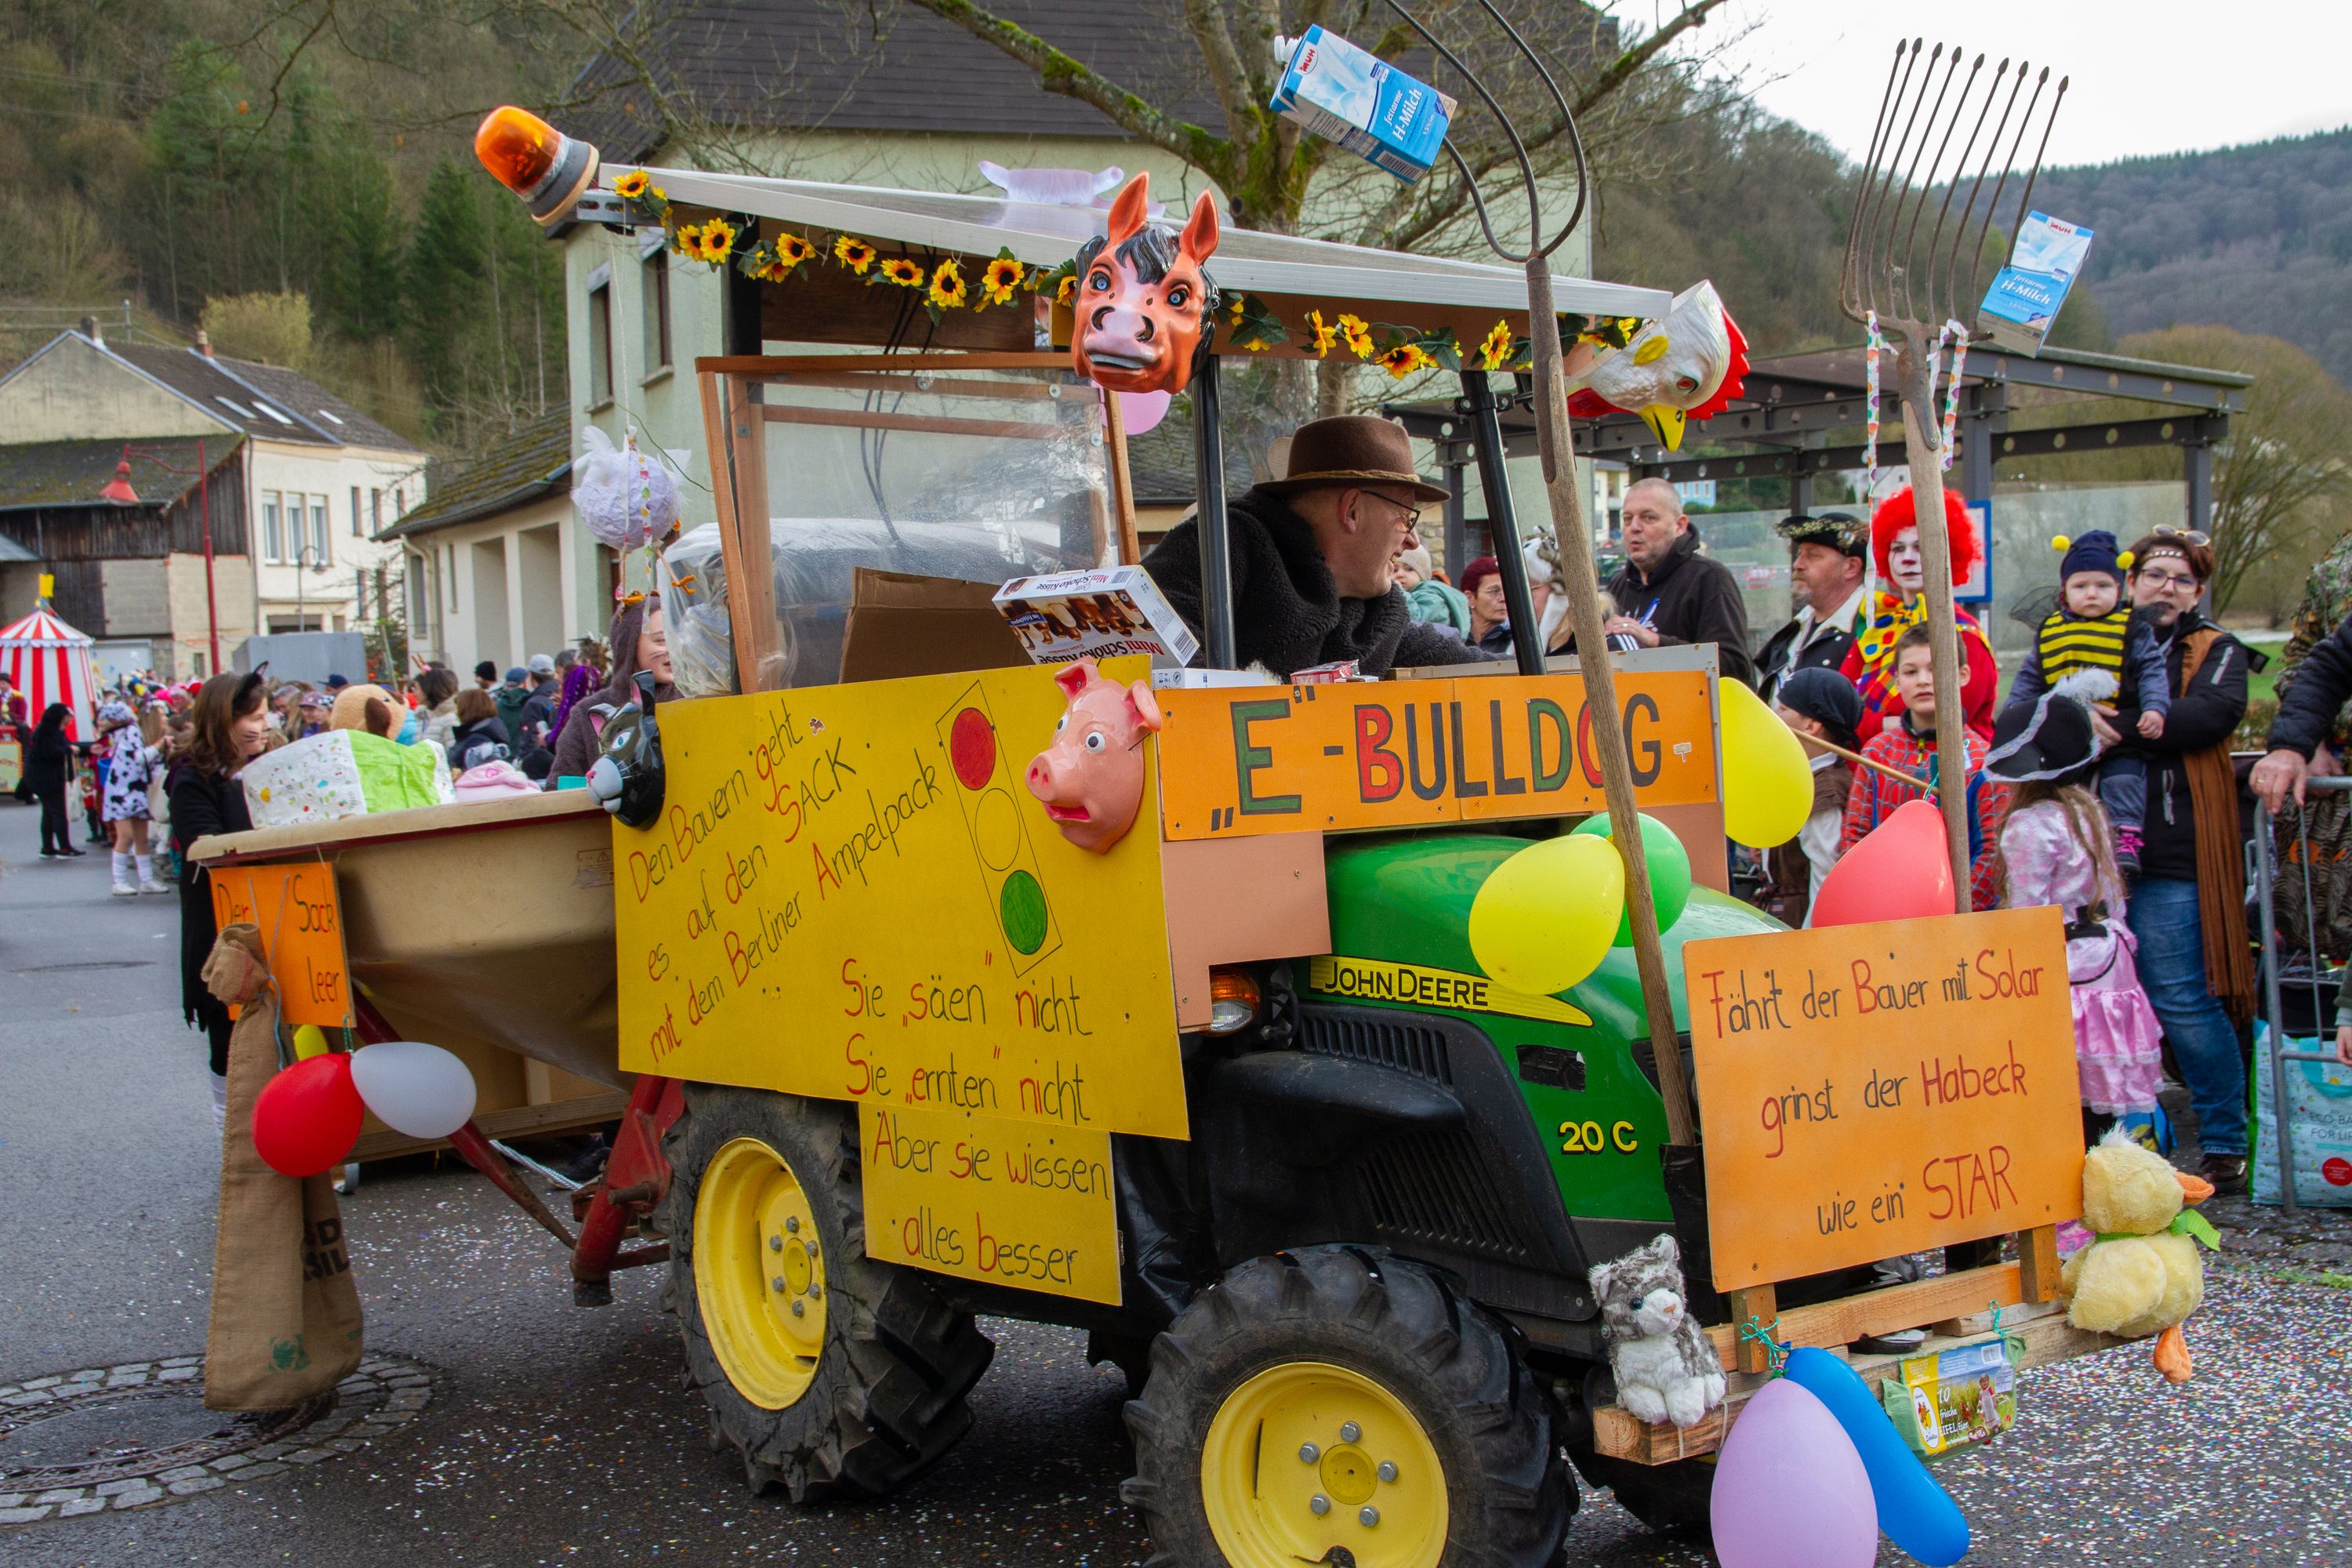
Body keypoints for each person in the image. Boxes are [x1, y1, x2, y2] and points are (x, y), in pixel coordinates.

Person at [1140, 416, 1482, 679]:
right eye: (1406, 519)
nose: (1412, 541)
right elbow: (1146, 654)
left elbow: (1469, 664)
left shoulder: (1379, 613)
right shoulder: (1218, 548)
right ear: (1351, 511)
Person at [1987, 692, 2165, 1149]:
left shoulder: (2029, 824)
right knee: (2101, 1096)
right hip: (2108, 962)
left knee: (2062, 1093)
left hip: (2063, 970)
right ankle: (2111, 1189)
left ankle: (2069, 1206)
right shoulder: (2085, 809)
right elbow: (2111, 894)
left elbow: (2029, 916)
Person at [1995, 531, 2171, 873]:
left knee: (2124, 780)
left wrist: (2154, 708)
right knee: (2063, 795)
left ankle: (2125, 840)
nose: (2092, 593)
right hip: (2065, 739)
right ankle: (2070, 846)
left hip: (2119, 733)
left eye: (2103, 585)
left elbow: (2152, 671)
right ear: (2065, 591)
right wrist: (2014, 714)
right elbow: (2031, 678)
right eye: (2081, 586)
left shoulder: (2132, 629)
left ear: (2119, 590)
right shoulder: (2050, 631)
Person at [1842, 623, 2009, 911]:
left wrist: (1951, 909)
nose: (1923, 680)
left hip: (1962, 919)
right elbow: (1854, 837)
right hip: (1887, 912)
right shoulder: (1877, 754)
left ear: (1962, 675)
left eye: (1935, 668)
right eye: (1911, 672)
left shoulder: (1984, 761)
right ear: (1896, 681)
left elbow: (1992, 851)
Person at [169, 670, 269, 1127]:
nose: (260, 727)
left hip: (276, 913)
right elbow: (200, 844)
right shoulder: (191, 776)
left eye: (265, 716)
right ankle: (233, 1137)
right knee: (228, 1031)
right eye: (251, 717)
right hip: (221, 924)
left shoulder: (271, 765)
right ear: (221, 718)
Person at [1841, 487, 1998, 745]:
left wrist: (1866, 725)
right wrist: (1881, 724)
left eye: (1921, 548)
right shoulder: (1880, 629)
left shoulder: (1966, 636)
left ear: (1948, 553)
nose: (1908, 560)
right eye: (1898, 548)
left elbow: (1941, 720)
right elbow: (1838, 708)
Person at [1568, 477, 1751, 683]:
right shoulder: (1619, 585)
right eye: (1627, 519)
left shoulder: (1709, 578)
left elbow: (1735, 667)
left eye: (1648, 518)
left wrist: (1655, 642)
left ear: (1680, 526)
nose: (1634, 528)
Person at [1759, 667, 1862, 927]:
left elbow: (1827, 880)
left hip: (1802, 924)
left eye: (1783, 709)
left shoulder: (1824, 791)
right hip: (1782, 914)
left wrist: (1811, 949)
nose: (1773, 714)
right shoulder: (1803, 778)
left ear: (1811, 726)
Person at [553, 593, 680, 780]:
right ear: (629, 645)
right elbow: (561, 785)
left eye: (676, 637)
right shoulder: (588, 712)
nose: (673, 648)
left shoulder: (693, 701)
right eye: (661, 640)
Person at [1753, 511, 1867, 703]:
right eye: (1799, 554)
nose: (1798, 564)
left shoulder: (1873, 626)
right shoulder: (1797, 627)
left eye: (1813, 556)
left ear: (1851, 567)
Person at [96, 694, 167, 895]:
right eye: (161, 715)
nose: (165, 719)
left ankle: (147, 880)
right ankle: (118, 881)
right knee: (125, 835)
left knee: (141, 838)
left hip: (137, 792)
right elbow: (137, 759)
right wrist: (158, 746)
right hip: (122, 791)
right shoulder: (131, 733)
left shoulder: (137, 733)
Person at [25, 702, 81, 858]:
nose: (70, 720)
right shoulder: (47, 732)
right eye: (68, 716)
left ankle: (48, 848)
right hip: (47, 778)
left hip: (41, 776)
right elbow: (50, 752)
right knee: (58, 812)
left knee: (49, 813)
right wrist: (69, 750)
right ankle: (65, 848)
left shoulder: (48, 730)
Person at [1395, 546, 1470, 636]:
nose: (1400, 574)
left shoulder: (1433, 597)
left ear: (1423, 574)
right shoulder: (1409, 594)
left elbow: (1415, 622)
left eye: (1409, 569)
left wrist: (1399, 593)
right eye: (1395, 570)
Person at [448, 687, 513, 771]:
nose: (456, 712)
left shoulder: (478, 740)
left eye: (458, 707)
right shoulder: (480, 733)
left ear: (467, 708)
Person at [1460, 556, 1511, 653]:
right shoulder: (1456, 638)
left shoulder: (1518, 641)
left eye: (1507, 591)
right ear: (1470, 598)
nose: (1504, 599)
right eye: (1494, 591)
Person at [413, 667, 461, 753]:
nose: (414, 694)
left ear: (428, 688)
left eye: (417, 689)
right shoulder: (423, 717)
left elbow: (453, 754)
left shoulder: (450, 719)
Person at [519, 653, 561, 748]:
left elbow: (530, 741)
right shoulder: (564, 697)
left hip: (542, 759)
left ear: (531, 675)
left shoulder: (534, 704)